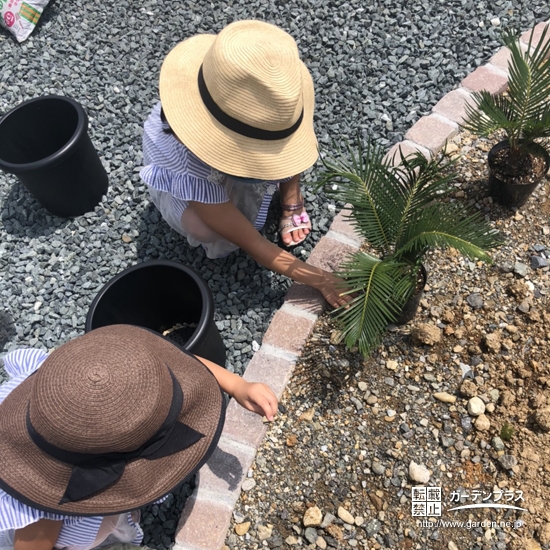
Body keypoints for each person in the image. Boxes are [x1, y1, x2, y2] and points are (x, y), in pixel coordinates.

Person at [0, 325, 277, 550]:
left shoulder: (68, 376)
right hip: (58, 518)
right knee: (97, 528)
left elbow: (182, 362)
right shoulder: (45, 511)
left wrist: (238, 385)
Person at [140, 20, 350, 309]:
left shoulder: (251, 89)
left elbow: (280, 138)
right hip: (193, 176)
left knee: (281, 136)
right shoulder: (192, 169)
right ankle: (234, 197)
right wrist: (321, 278)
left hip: (220, 147)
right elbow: (256, 244)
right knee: (206, 229)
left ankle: (291, 196)